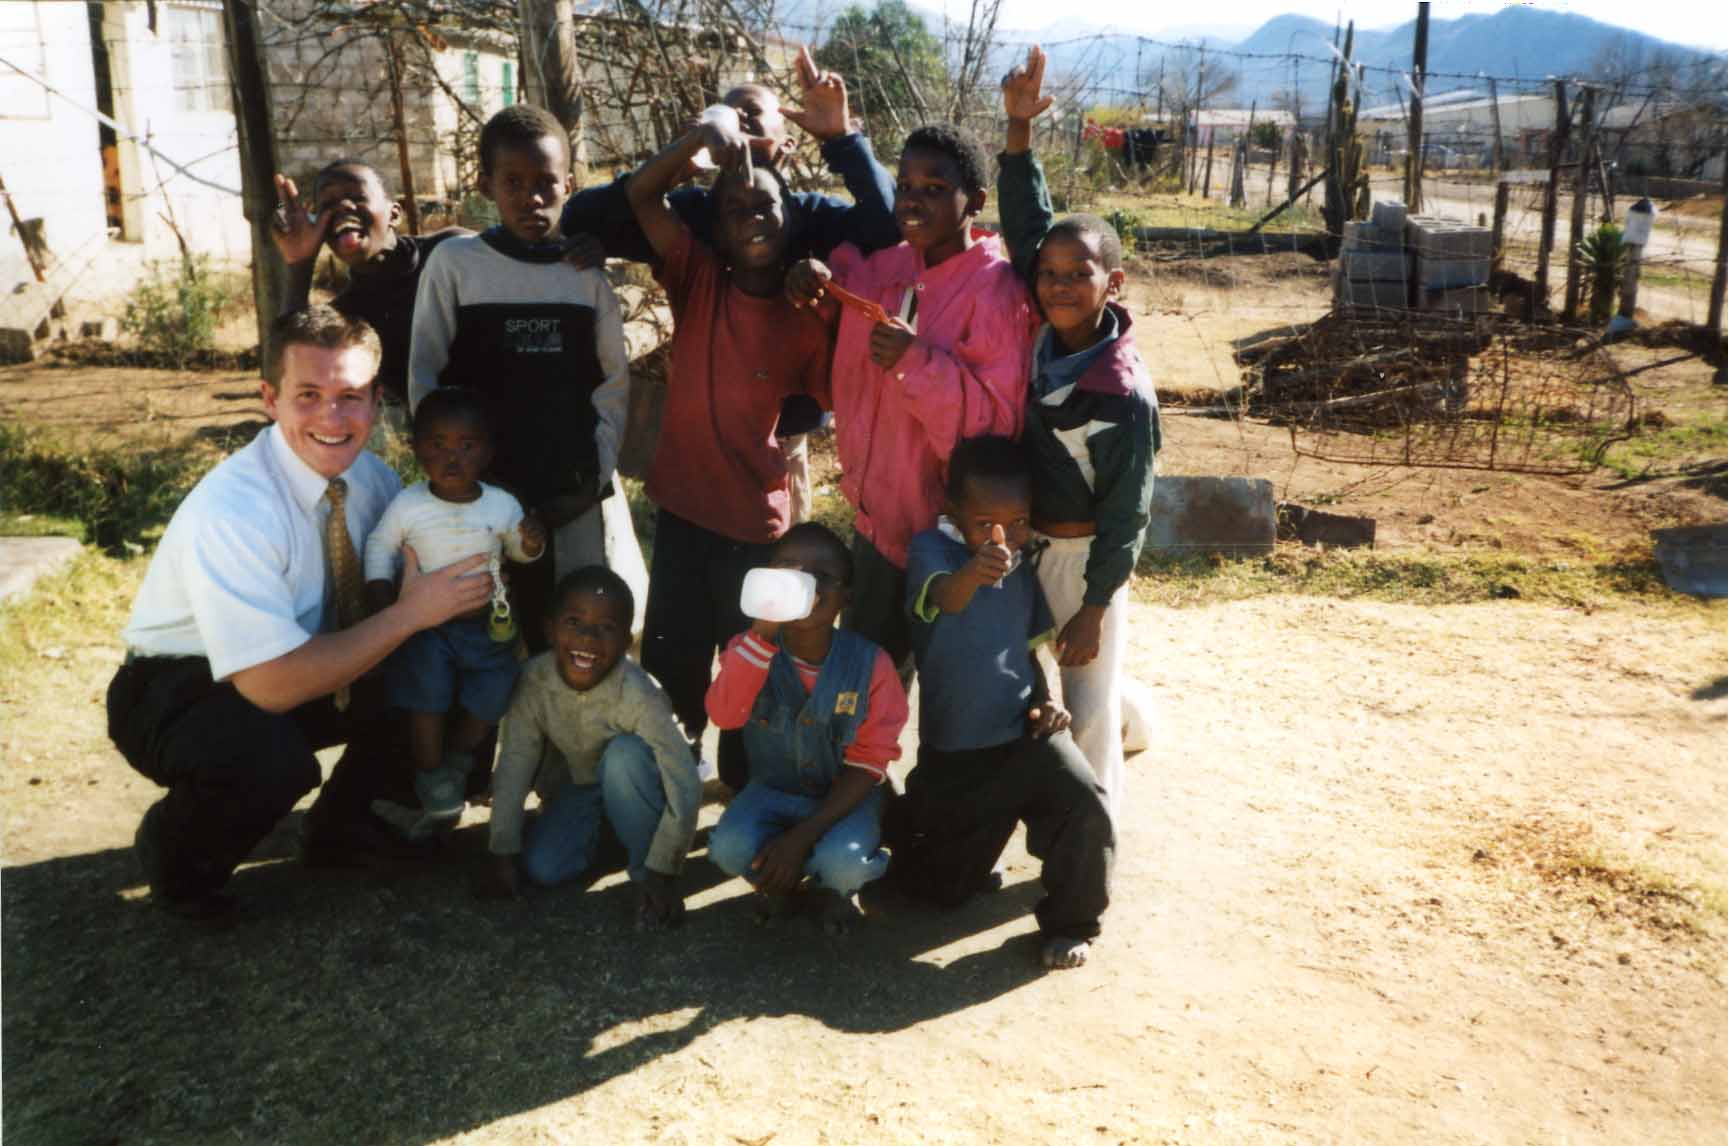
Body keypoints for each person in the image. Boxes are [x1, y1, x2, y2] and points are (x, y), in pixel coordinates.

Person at [106, 307, 495, 922]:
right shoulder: (235, 508)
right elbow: (270, 685)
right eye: (308, 395)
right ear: (270, 398)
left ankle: (340, 828)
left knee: (449, 670)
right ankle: (177, 857)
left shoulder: (375, 481)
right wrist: (408, 617)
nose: (332, 419)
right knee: (266, 762)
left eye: (351, 397)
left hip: (304, 657)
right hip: (181, 684)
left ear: (377, 402)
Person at [560, 48, 898, 527]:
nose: (738, 122)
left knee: (782, 551)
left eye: (752, 114)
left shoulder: (813, 216)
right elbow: (584, 215)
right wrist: (681, 158)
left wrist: (843, 140)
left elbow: (888, 227)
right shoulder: (698, 213)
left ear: (787, 143)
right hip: (706, 442)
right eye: (728, 114)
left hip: (786, 433)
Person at [626, 116, 835, 791]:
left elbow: (835, 390)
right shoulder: (697, 278)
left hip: (754, 524)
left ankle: (749, 788)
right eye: (735, 210)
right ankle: (672, 777)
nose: (752, 219)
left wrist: (824, 293)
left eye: (765, 206)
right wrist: (699, 138)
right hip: (683, 514)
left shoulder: (807, 310)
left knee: (750, 667)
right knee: (673, 662)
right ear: (715, 231)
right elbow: (641, 195)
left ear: (791, 220)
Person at [786, 122, 1035, 677]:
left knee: (952, 690)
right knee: (869, 681)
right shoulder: (891, 268)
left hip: (950, 540)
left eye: (935, 188)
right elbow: (843, 315)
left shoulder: (994, 291)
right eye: (904, 186)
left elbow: (994, 428)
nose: (912, 200)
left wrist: (915, 362)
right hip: (878, 523)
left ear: (977, 202)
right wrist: (816, 286)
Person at [408, 104, 645, 648]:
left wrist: (595, 475)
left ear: (569, 183)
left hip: (570, 491)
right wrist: (451, 474)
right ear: (485, 184)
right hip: (479, 492)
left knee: (571, 630)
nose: (531, 197)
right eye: (512, 182)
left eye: (545, 182)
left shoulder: (584, 277)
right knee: (488, 634)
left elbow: (613, 384)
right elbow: (425, 371)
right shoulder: (456, 264)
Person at [997, 45, 1160, 817]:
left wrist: (1095, 605)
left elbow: (1128, 513)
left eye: (1079, 275)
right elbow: (1030, 221)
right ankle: (1134, 716)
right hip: (1023, 543)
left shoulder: (1121, 396)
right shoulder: (1044, 331)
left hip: (1084, 559)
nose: (1059, 284)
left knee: (1085, 699)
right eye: (1049, 274)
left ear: (1112, 284)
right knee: (1021, 675)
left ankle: (1093, 842)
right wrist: (1018, 131)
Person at [889, 436, 1114, 970]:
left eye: (1018, 523)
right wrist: (975, 571)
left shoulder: (1022, 566)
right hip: (957, 752)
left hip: (1023, 734)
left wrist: (1048, 702)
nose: (1004, 536)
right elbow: (946, 598)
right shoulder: (931, 550)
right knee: (939, 890)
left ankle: (1073, 924)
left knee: (1085, 803)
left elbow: (1028, 650)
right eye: (985, 523)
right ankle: (894, 815)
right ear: (952, 511)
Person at [704, 523, 908, 934]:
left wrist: (799, 839)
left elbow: (869, 762)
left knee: (845, 862)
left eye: (822, 576)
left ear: (847, 597)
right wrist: (763, 632)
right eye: (789, 571)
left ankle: (830, 890)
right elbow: (725, 716)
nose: (805, 584)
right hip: (773, 790)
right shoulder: (748, 647)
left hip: (845, 797)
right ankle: (782, 882)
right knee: (728, 848)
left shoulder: (873, 665)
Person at [361, 387, 546, 835]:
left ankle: (457, 761)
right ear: (416, 448)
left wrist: (530, 544)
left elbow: (518, 553)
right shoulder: (410, 504)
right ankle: (431, 777)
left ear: (487, 453)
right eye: (437, 444)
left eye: (466, 446)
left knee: (495, 691)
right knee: (426, 695)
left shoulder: (501, 504)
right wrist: (383, 599)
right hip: (428, 627)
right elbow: (380, 545)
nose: (451, 457)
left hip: (486, 626)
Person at [480, 567, 700, 931]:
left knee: (623, 755)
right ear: (549, 629)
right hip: (581, 786)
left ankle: (644, 869)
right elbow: (515, 760)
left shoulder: (638, 692)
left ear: (626, 641)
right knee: (543, 869)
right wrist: (502, 850)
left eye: (606, 628)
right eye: (574, 622)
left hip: (641, 785)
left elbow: (683, 777)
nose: (588, 637)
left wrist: (664, 870)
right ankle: (610, 836)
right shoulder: (535, 680)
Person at [270, 160, 468, 420]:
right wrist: (300, 263)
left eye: (357, 197)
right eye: (327, 204)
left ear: (394, 214)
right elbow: (288, 370)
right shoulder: (347, 319)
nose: (343, 206)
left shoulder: (451, 252)